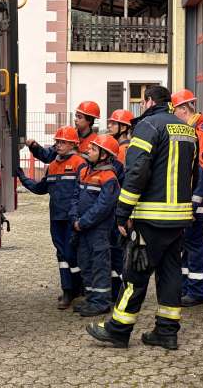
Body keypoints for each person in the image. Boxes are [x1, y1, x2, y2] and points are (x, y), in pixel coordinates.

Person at [85, 86, 199, 350]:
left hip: (150, 217)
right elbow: (194, 173)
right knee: (170, 275)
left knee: (134, 273)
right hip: (179, 218)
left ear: (148, 102)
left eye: (142, 102)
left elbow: (137, 172)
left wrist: (122, 212)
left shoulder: (148, 126)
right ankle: (166, 333)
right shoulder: (188, 130)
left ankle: (118, 330)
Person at [15, 127, 87, 309]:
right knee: (61, 255)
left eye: (63, 142)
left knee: (70, 255)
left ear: (73, 144)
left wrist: (79, 217)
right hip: (56, 218)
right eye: (57, 142)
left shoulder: (80, 164)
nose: (58, 145)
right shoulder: (53, 166)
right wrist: (23, 177)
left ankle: (76, 286)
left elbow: (84, 193)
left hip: (72, 219)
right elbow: (40, 188)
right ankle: (68, 290)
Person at [171, 89, 203, 307]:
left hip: (195, 206)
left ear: (184, 109)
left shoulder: (202, 133)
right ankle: (186, 288)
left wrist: (192, 204)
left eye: (174, 110)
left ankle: (197, 292)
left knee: (194, 245)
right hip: (189, 203)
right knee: (187, 245)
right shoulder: (192, 131)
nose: (173, 115)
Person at [70, 134, 121, 317]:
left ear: (104, 155)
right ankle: (92, 299)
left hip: (98, 231)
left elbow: (103, 208)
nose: (88, 151)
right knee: (85, 264)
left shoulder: (109, 178)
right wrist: (74, 218)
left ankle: (101, 303)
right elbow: (75, 197)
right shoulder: (85, 172)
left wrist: (82, 222)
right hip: (83, 228)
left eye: (93, 149)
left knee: (100, 265)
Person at [106, 109, 133, 302]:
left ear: (123, 128)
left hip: (119, 207)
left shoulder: (123, 151)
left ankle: (120, 292)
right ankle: (117, 291)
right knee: (117, 250)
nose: (109, 126)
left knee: (118, 250)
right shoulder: (124, 148)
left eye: (113, 123)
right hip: (119, 206)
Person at [26, 101, 100, 164]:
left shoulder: (96, 142)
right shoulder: (68, 136)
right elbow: (49, 155)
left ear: (89, 120)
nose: (75, 119)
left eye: (79, 117)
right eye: (76, 116)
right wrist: (35, 147)